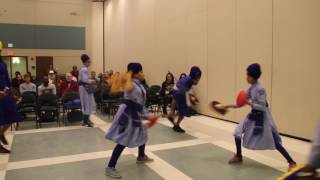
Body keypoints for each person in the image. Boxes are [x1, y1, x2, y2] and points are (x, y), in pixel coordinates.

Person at [226, 63, 297, 170]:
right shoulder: (251, 88)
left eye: (248, 75)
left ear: (253, 76)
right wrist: (228, 106)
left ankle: (291, 162)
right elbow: (241, 102)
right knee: (237, 133)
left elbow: (262, 107)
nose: (246, 77)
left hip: (262, 118)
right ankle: (239, 156)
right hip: (252, 116)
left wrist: (249, 103)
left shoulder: (260, 89)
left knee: (274, 142)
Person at [105, 63, 155, 178]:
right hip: (129, 114)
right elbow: (137, 104)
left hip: (134, 112)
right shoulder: (133, 86)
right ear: (136, 74)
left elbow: (139, 104)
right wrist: (147, 115)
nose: (143, 73)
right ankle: (110, 166)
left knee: (143, 133)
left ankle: (141, 156)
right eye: (141, 72)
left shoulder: (137, 85)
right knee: (124, 139)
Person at [167, 67, 202, 133]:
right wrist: (191, 98)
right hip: (179, 92)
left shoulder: (189, 79)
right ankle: (176, 125)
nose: (198, 81)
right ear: (195, 77)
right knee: (184, 110)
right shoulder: (186, 81)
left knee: (184, 107)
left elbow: (186, 89)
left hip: (177, 91)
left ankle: (171, 115)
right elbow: (179, 87)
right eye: (198, 79)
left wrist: (192, 96)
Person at [0, 47, 20, 153]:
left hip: (5, 94)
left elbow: (7, 80)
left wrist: (12, 94)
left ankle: (1, 133)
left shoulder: (3, 64)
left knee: (12, 116)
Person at [78, 54, 96, 127]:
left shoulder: (83, 69)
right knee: (87, 103)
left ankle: (86, 120)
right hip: (85, 88)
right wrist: (92, 81)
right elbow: (85, 80)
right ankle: (86, 120)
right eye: (88, 62)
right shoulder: (84, 69)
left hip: (83, 88)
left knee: (86, 104)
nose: (89, 63)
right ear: (85, 62)